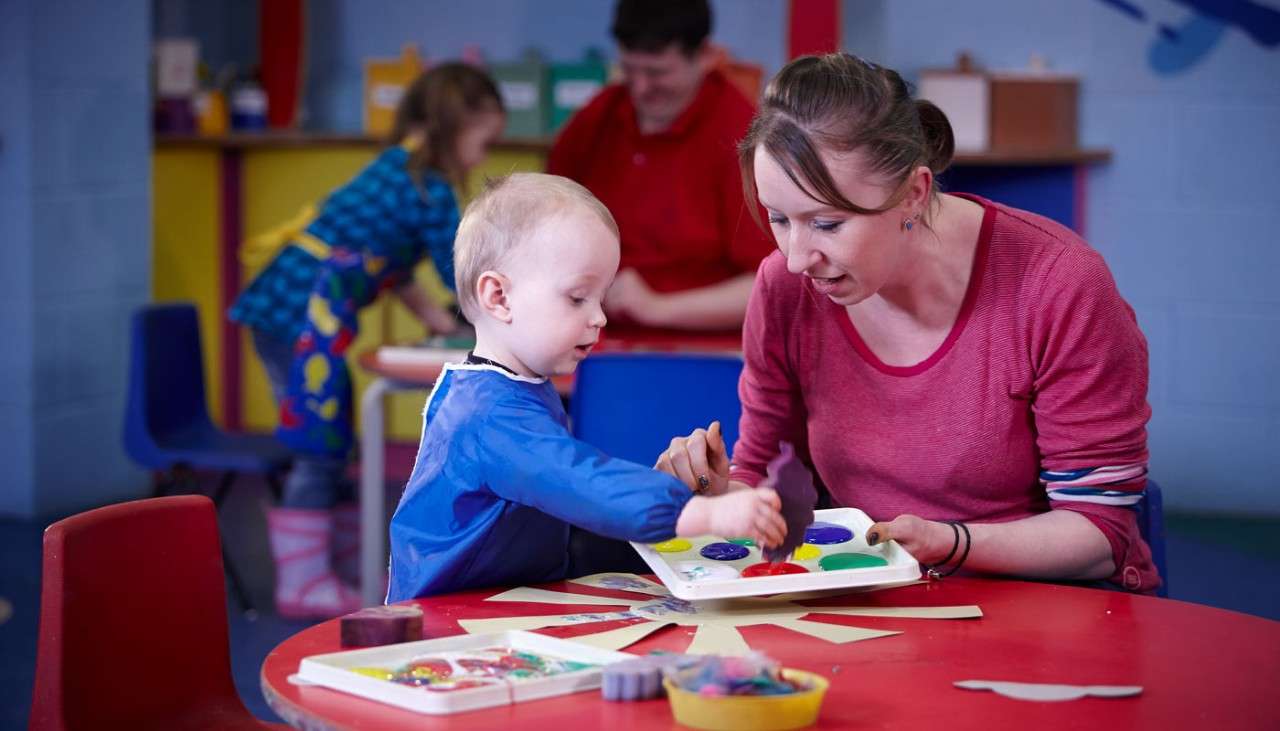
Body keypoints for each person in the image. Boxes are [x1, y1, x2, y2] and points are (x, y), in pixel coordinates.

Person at [659, 53, 1160, 594]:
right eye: (779, 219)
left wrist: (952, 542)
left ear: (914, 194)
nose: (799, 256)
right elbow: (765, 476)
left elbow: (1099, 533)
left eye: (827, 223)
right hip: (870, 593)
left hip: (1041, 603)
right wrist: (716, 496)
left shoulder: (1059, 284)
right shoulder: (784, 286)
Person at [386, 173, 786, 600]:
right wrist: (705, 514)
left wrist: (663, 494)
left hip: (497, 595)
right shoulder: (489, 414)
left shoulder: (512, 387)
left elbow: (571, 491)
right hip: (448, 620)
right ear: (499, 297)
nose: (599, 317)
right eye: (578, 298)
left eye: (601, 297)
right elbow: (579, 481)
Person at [228, 63, 505, 618]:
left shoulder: (401, 172)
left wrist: (441, 322)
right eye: (483, 140)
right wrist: (494, 310)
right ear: (455, 125)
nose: (482, 156)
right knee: (318, 443)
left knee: (333, 439)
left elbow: (395, 270)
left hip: (302, 313)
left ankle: (347, 570)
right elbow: (462, 266)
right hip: (295, 314)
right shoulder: (426, 188)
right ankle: (303, 582)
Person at [546, 0, 774, 333]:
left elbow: (772, 282)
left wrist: (657, 308)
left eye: (657, 73)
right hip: (590, 344)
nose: (640, 88)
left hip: (700, 355)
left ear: (707, 56)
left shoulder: (742, 135)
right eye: (629, 70)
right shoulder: (597, 119)